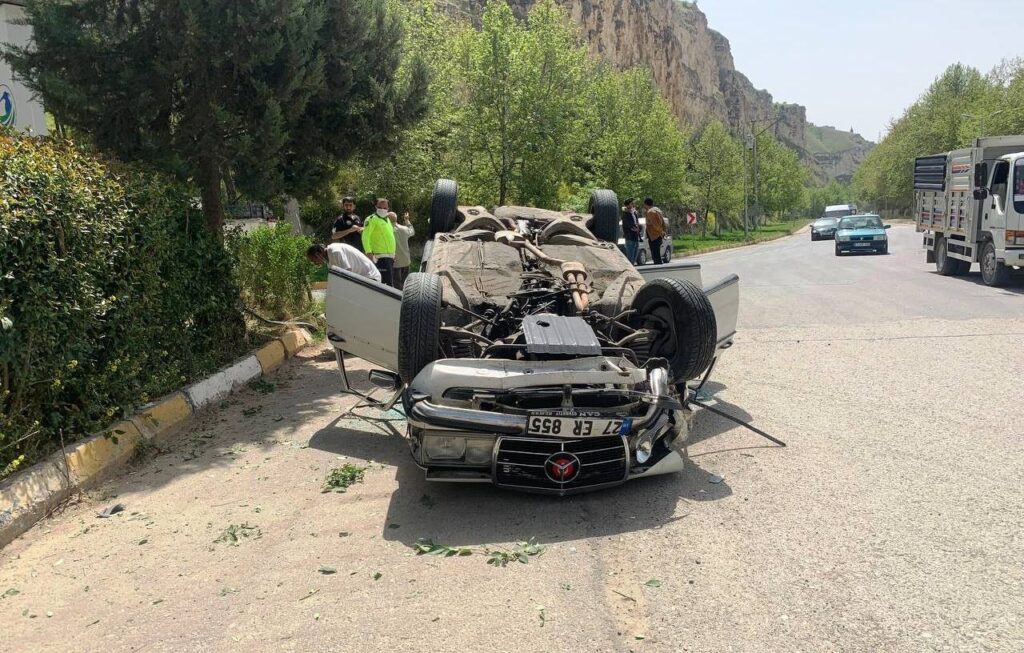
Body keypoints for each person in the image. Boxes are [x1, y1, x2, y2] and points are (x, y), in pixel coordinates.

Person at [361, 197, 397, 286]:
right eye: (380, 207)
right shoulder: (371, 219)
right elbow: (365, 236)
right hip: (380, 257)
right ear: (376, 207)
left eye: (385, 208)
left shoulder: (387, 220)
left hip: (389, 256)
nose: (382, 210)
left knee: (389, 282)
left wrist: (393, 254)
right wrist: (368, 252)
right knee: (385, 284)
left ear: (388, 209)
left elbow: (390, 237)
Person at [306, 243, 382, 283]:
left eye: (313, 260)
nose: (314, 263)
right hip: (363, 279)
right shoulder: (329, 259)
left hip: (370, 278)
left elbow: (347, 272)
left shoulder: (335, 251)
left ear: (318, 254)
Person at [390, 211, 415, 290]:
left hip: (395, 263)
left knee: (396, 286)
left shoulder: (387, 230)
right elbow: (412, 231)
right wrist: (407, 220)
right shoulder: (404, 229)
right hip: (406, 261)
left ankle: (398, 300)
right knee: (405, 284)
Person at [644, 197, 667, 265]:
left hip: (654, 235)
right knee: (656, 253)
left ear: (645, 204)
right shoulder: (657, 210)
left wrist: (661, 232)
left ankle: (658, 268)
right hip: (657, 235)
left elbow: (655, 225)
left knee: (655, 255)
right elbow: (662, 223)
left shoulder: (651, 212)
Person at [620, 198, 642, 264]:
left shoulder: (634, 213)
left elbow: (637, 223)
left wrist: (639, 228)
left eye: (634, 203)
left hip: (636, 237)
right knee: (630, 256)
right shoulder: (625, 214)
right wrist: (635, 228)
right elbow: (628, 225)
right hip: (629, 237)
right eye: (632, 203)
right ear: (628, 205)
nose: (634, 205)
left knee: (635, 254)